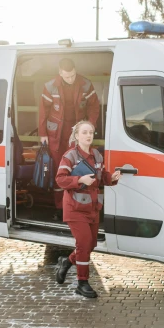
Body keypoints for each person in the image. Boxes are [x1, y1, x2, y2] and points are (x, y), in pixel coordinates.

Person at [55, 121, 121, 298]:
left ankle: (67, 262)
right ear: (77, 136)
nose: (88, 135)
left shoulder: (97, 155)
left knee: (90, 244)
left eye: (91, 132)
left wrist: (112, 178)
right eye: (84, 132)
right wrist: (80, 180)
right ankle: (82, 283)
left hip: (92, 208)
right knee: (84, 243)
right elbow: (60, 180)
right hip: (75, 208)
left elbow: (101, 177)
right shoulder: (70, 156)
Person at [38, 58, 100, 212]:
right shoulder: (50, 86)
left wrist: (90, 125)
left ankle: (78, 205)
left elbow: (94, 106)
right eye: (67, 76)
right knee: (61, 169)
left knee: (78, 166)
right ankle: (61, 207)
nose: (71, 79)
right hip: (56, 134)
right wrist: (42, 133)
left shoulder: (86, 84)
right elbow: (43, 111)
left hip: (77, 132)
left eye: (73, 75)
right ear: (60, 73)